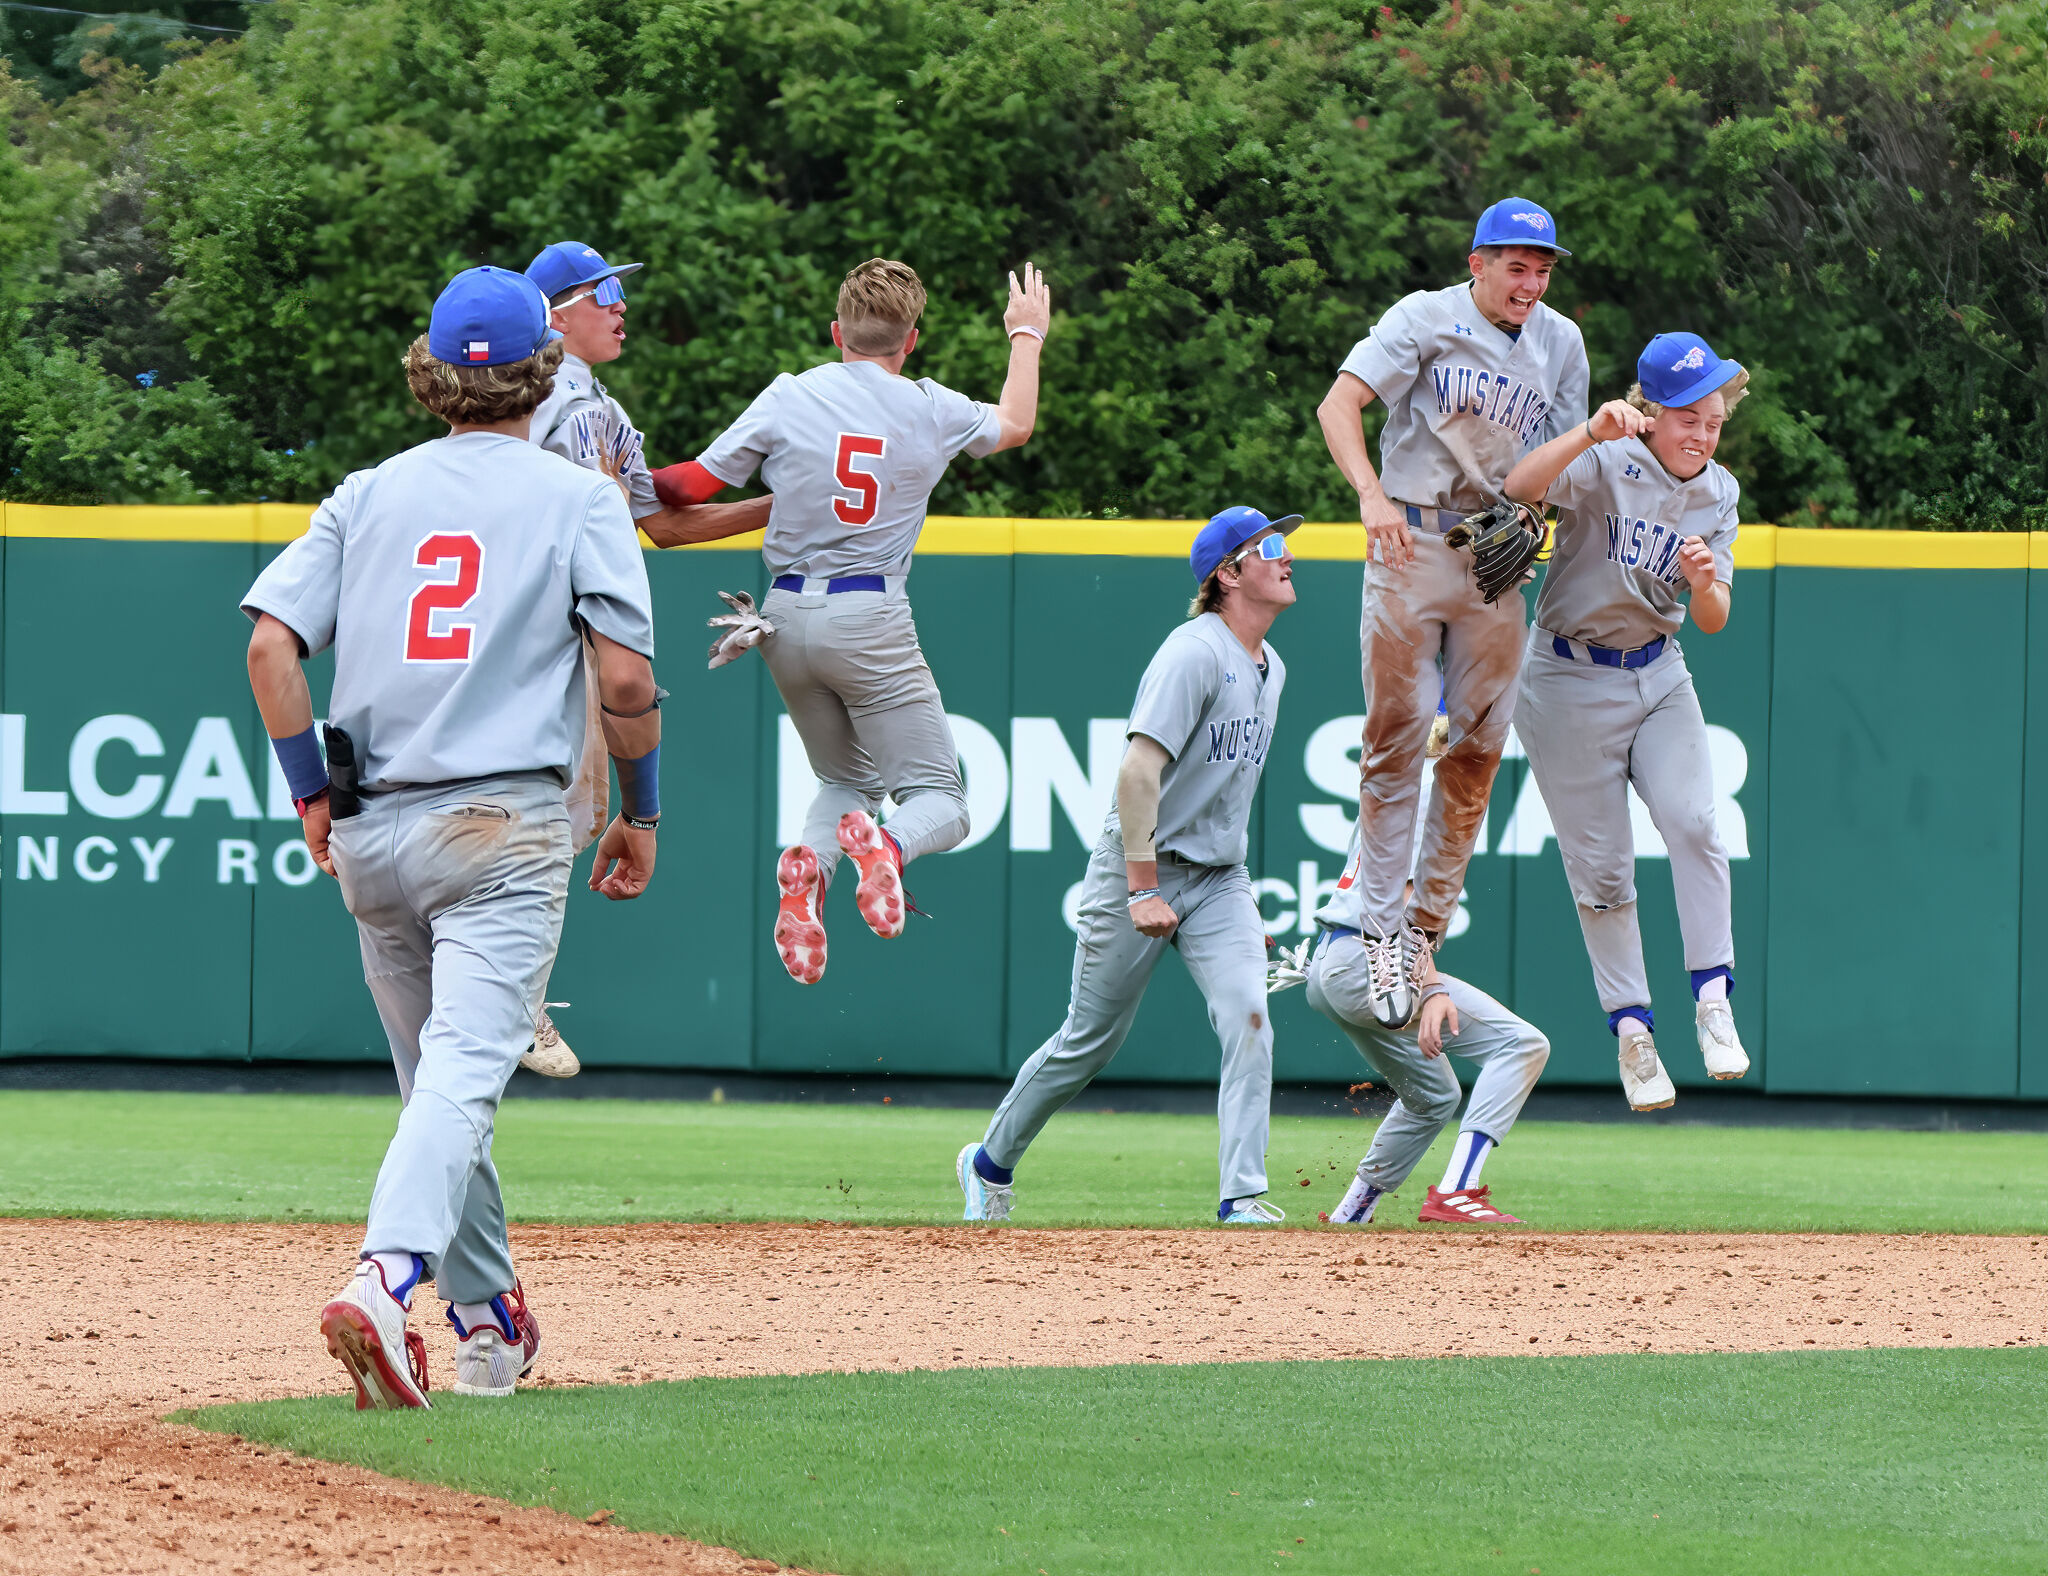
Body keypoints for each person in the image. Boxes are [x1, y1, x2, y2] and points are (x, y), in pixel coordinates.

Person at [242, 266, 661, 1408]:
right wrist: (641, 807)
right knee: (463, 1075)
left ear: (432, 372)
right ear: (544, 370)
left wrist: (307, 793)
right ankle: (383, 1282)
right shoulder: (575, 497)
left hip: (374, 829)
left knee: (439, 1082)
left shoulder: (367, 492)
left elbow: (272, 651)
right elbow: (622, 675)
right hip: (501, 827)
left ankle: (487, 1324)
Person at [690, 258, 1049, 984]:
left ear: (836, 332)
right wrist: (1026, 335)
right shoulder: (928, 404)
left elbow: (687, 485)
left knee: (845, 779)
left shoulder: (792, 394)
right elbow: (1015, 425)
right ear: (910, 341)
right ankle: (880, 848)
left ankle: (812, 865)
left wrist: (626, 479)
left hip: (782, 618)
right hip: (869, 611)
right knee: (943, 804)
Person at [958, 507, 1297, 1227]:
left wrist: (1236, 903)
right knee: (1088, 1041)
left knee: (1250, 1016)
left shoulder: (1272, 667)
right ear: (1228, 575)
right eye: (1269, 545)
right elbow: (1138, 770)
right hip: (1138, 864)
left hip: (1218, 877)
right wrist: (1142, 886)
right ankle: (988, 1163)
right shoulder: (1193, 652)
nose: (1286, 553)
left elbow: (1225, 788)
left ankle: (1242, 1195)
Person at [1315, 198, 1589, 1029]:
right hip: (1410, 538)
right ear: (1477, 262)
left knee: (1475, 754)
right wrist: (1369, 497)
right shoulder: (1423, 318)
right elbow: (1339, 406)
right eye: (1517, 265)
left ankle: (1422, 933)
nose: (1531, 282)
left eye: (1542, 268)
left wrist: (1544, 512)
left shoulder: (1561, 341)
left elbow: (1557, 458)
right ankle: (1378, 927)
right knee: (1394, 741)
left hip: (1496, 555)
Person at [514, 241, 769, 1076]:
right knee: (546, 814)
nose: (623, 305)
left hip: (569, 639)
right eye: (606, 291)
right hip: (531, 633)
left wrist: (784, 504)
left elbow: (662, 522)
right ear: (555, 314)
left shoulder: (603, 411)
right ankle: (512, 1000)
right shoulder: (535, 388)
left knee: (575, 815)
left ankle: (509, 996)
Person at [1502, 331, 1750, 1111]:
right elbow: (1518, 485)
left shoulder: (1720, 492)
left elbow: (1713, 620)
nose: (1703, 434)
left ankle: (1712, 998)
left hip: (1659, 672)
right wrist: (1588, 431)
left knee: (1696, 823)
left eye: (1713, 418)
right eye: (1688, 417)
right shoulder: (1608, 459)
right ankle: (1634, 1033)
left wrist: (1705, 583)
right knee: (1604, 876)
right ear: (1652, 412)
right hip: (1567, 681)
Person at [1307, 852, 1549, 1226]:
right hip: (1371, 965)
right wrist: (1432, 988)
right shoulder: (1420, 799)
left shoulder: (1388, 797)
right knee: (1521, 1044)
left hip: (1332, 960)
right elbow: (1401, 905)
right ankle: (1457, 1191)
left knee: (1433, 1097)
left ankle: (1352, 1214)